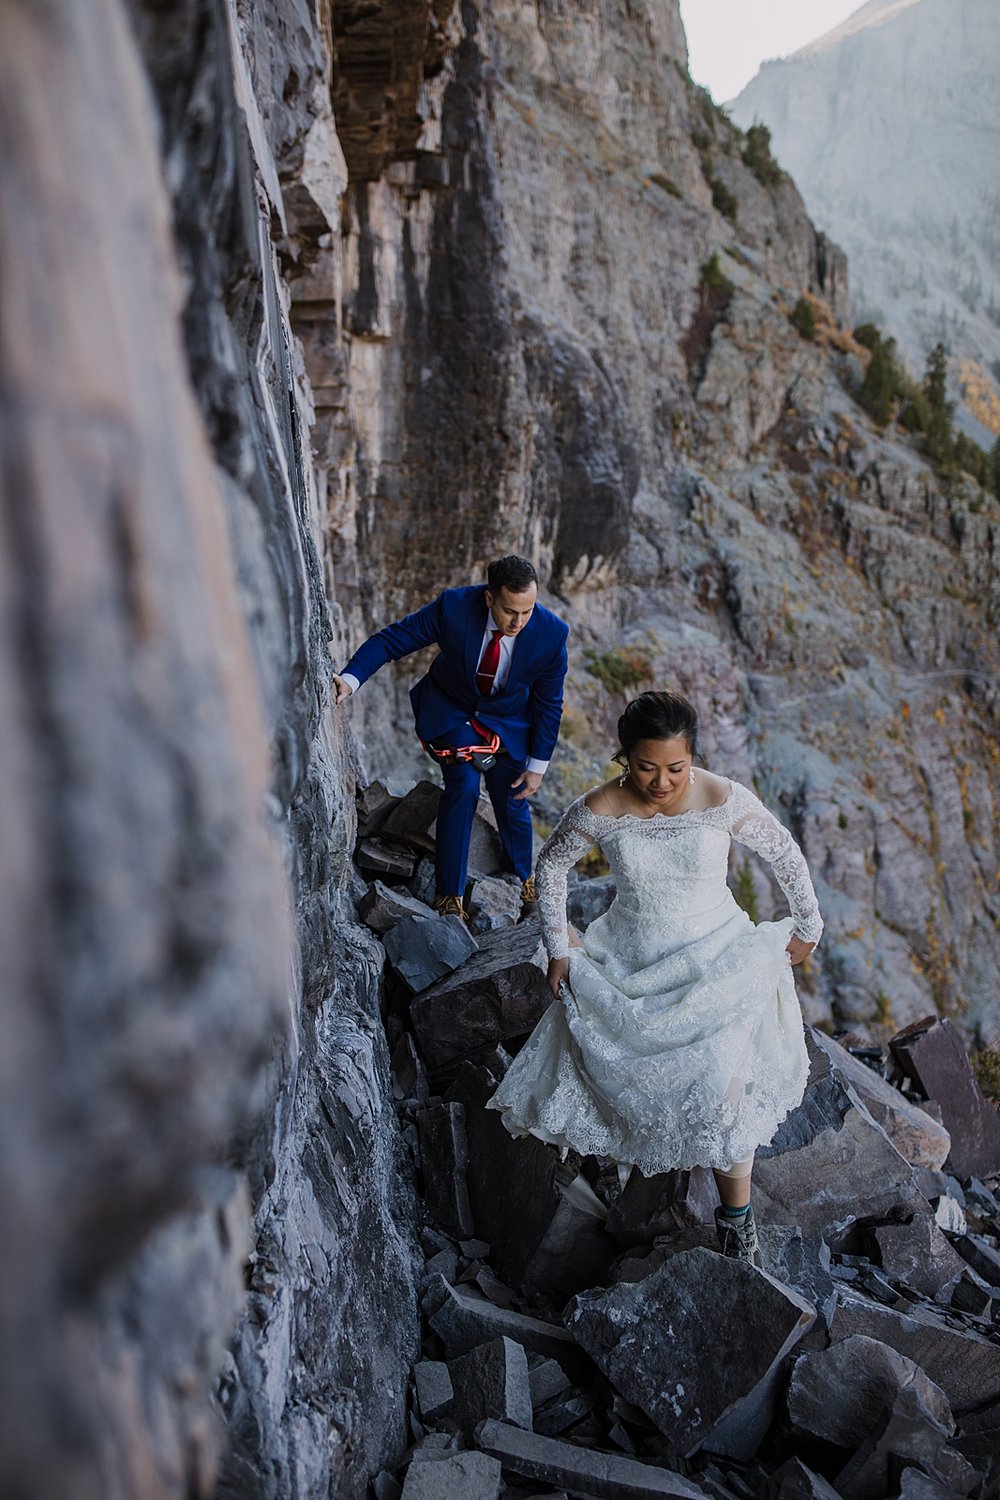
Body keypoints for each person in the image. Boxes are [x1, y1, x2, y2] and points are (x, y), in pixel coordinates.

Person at [487, 690, 823, 1266]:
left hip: (714, 956)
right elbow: (550, 867)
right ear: (625, 757)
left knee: (723, 1087)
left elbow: (785, 853)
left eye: (676, 767)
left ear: (692, 757)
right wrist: (558, 948)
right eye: (646, 767)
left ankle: (736, 1222)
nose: (662, 781)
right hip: (631, 958)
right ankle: (617, 1176)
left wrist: (808, 926)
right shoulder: (601, 807)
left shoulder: (721, 797)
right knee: (616, 1071)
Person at [333, 557, 569, 920]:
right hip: (452, 712)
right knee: (463, 785)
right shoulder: (454, 607)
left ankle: (526, 876)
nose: (519, 622)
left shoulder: (552, 633)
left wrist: (537, 767)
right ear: (489, 598)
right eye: (510, 611)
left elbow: (549, 704)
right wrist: (349, 680)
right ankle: (449, 897)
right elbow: (393, 640)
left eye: (528, 611)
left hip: (506, 724)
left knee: (514, 796)